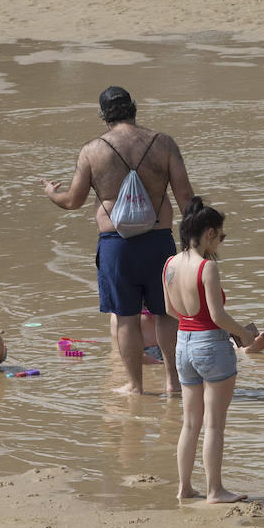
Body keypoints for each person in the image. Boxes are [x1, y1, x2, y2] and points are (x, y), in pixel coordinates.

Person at [40, 86, 194, 395]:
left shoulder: (92, 151)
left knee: (126, 317)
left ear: (103, 116)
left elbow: (73, 201)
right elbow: (186, 199)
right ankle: (173, 383)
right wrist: (193, 249)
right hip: (159, 242)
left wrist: (51, 193)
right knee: (166, 314)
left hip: (116, 245)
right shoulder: (162, 143)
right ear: (134, 109)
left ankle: (135, 386)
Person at [163, 196, 264, 502]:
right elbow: (217, 316)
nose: (221, 242)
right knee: (214, 425)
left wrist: (194, 322)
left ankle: (184, 487)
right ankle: (215, 490)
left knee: (190, 423)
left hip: (182, 343)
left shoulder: (169, 264)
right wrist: (244, 337)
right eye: (221, 235)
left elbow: (169, 309)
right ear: (209, 232)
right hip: (210, 346)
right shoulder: (206, 268)